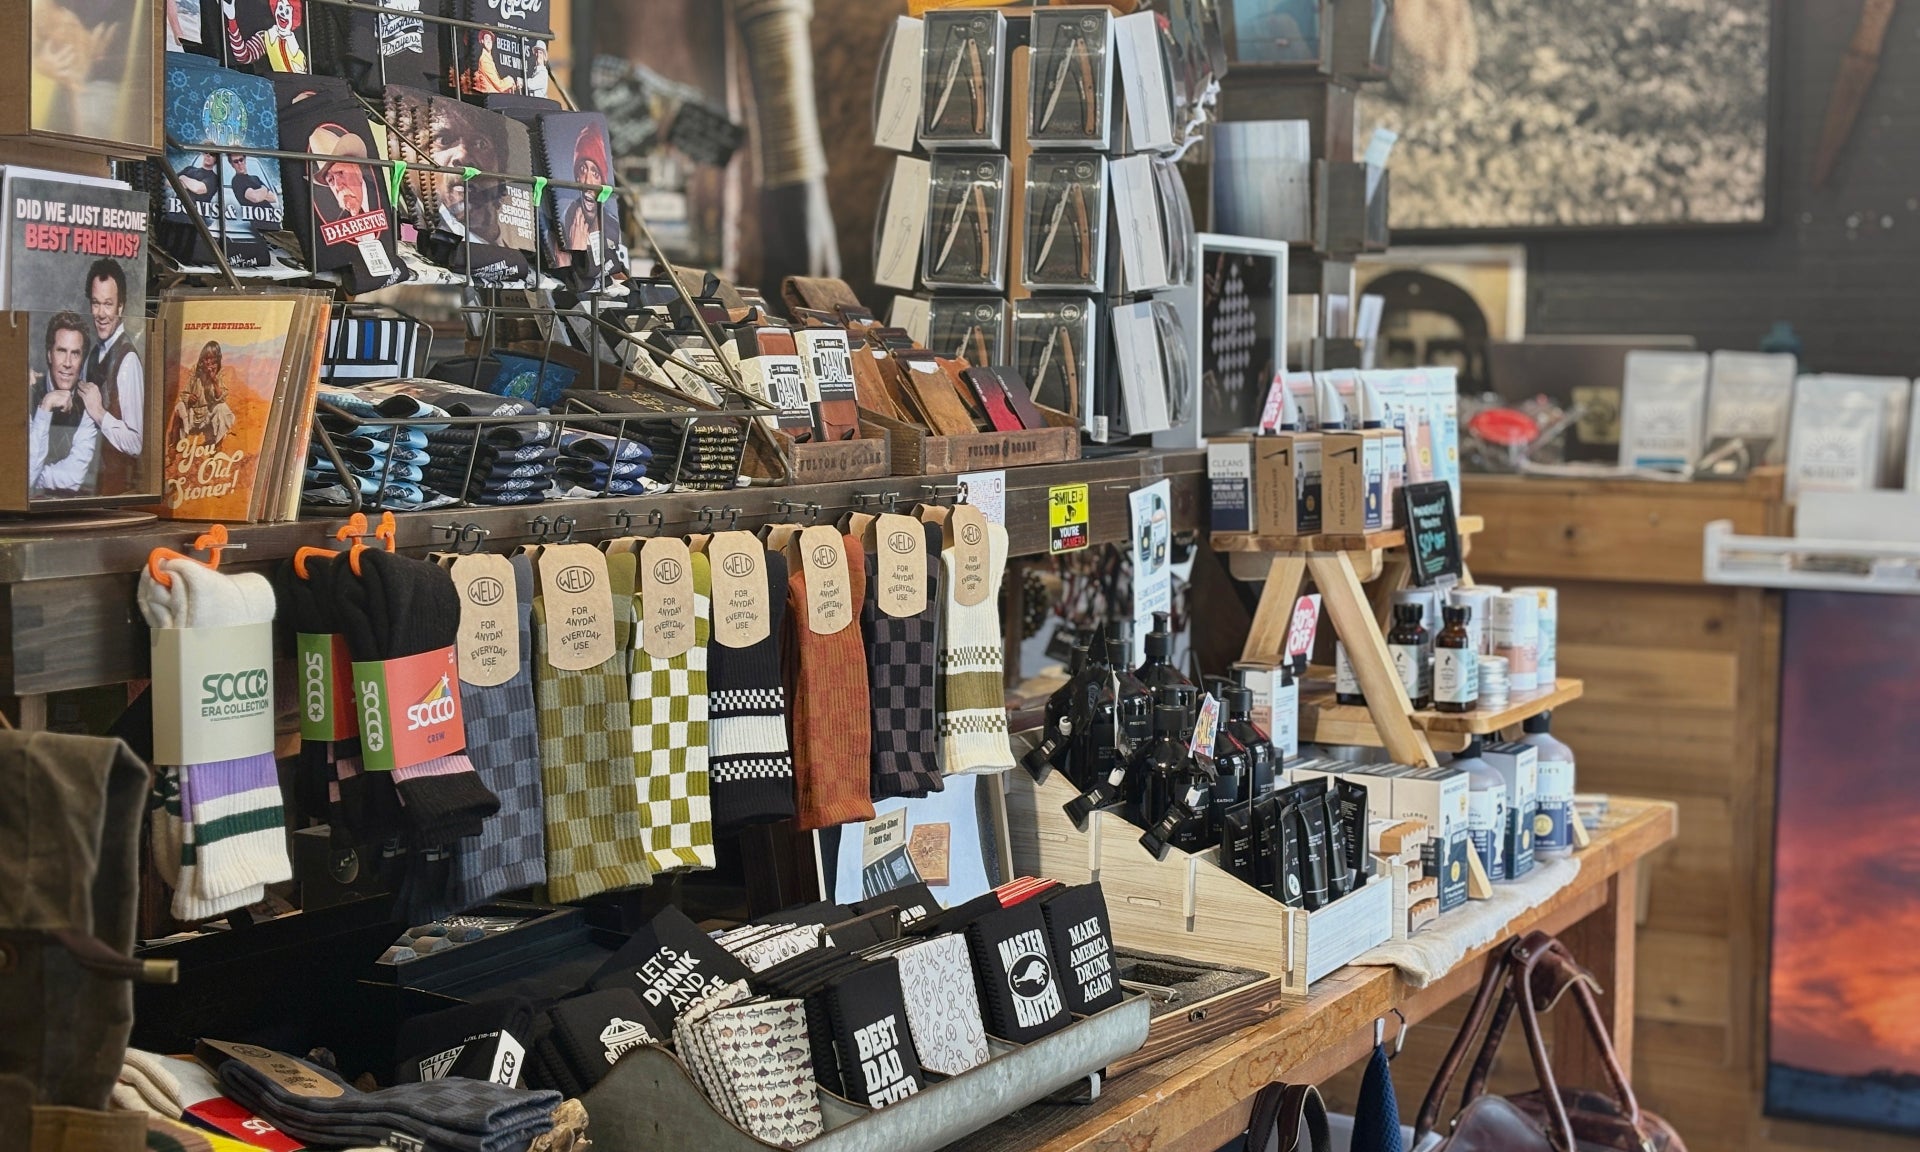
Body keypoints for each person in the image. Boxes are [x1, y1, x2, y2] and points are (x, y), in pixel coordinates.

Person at [75, 260, 144, 497]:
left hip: (115, 496)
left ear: (120, 307)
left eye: (108, 304)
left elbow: (136, 443)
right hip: (88, 489)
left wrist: (99, 412)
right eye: (96, 304)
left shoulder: (128, 361)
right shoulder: (92, 355)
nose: (101, 314)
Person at [28, 312, 100, 498]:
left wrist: (36, 478)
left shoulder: (88, 402)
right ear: (49, 355)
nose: (67, 363)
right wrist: (46, 406)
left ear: (82, 360)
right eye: (61, 351)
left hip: (67, 509)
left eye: (75, 353)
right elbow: (23, 481)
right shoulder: (28, 393)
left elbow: (72, 478)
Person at [172, 341, 237, 448]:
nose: (208, 362)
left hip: (208, 416)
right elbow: (183, 394)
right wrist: (189, 398)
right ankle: (175, 444)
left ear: (217, 360)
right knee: (179, 407)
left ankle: (218, 445)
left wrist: (214, 381)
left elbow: (222, 399)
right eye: (206, 359)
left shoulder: (220, 374)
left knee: (223, 408)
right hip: (193, 414)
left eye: (212, 359)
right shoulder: (195, 372)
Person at [562, 124, 611, 260]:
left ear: (603, 181)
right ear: (577, 176)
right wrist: (577, 250)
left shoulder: (613, 228)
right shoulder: (563, 223)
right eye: (583, 169)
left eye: (595, 173)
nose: (588, 181)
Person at [309, 123, 374, 220]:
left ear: (357, 170)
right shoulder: (339, 221)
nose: (338, 186)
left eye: (340, 173)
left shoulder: (380, 193)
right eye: (330, 180)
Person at [224, 0, 306, 73]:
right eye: (280, 8)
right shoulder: (266, 37)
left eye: (287, 11)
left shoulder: (306, 36)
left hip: (306, 82)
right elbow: (243, 56)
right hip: (278, 83)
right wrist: (232, 20)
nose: (282, 13)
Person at [462, 29, 517, 94]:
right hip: (491, 96)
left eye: (490, 39)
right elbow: (499, 86)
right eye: (486, 38)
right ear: (482, 41)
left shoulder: (489, 58)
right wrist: (510, 80)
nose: (489, 41)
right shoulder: (485, 60)